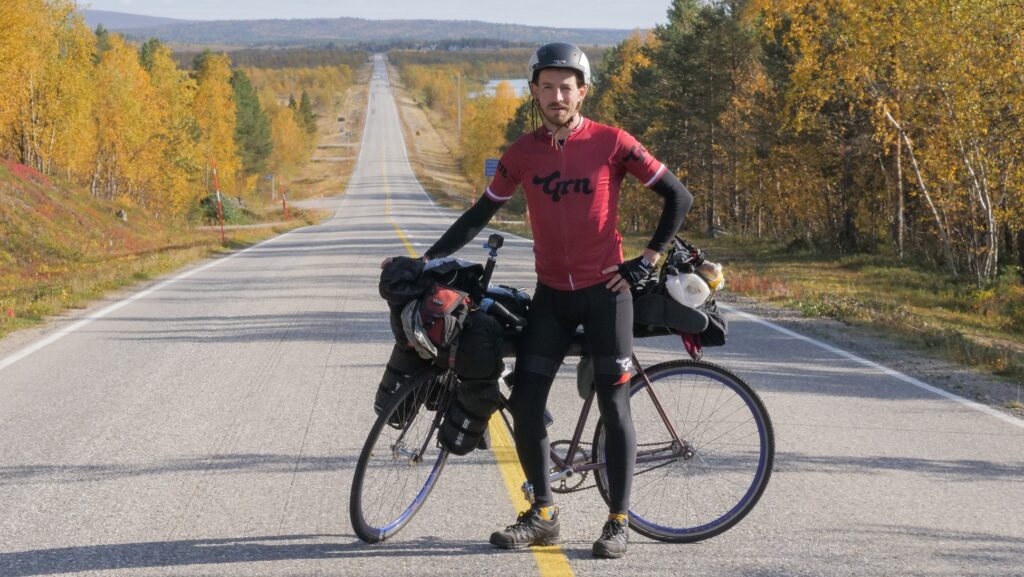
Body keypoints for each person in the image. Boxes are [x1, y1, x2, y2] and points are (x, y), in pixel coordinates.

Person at [390, 42, 694, 559]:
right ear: (534, 91)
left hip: (606, 295)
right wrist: (427, 260)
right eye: (547, 86)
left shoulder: (612, 142)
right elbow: (479, 215)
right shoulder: (522, 153)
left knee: (613, 402)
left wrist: (646, 262)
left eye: (567, 86)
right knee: (527, 399)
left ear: (582, 91)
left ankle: (618, 521)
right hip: (552, 297)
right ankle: (544, 514)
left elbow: (678, 197)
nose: (557, 95)